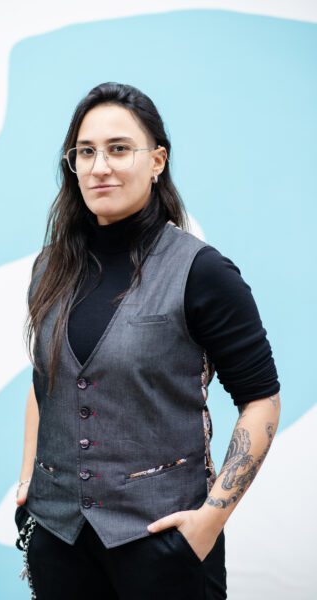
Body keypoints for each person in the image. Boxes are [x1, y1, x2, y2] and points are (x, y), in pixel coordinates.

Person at [14, 82, 281, 600]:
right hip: (58, 540)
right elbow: (48, 380)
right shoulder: (51, 267)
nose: (100, 167)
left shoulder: (201, 271)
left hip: (161, 544)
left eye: (118, 149)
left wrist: (208, 522)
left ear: (157, 160)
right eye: (85, 152)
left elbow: (261, 401)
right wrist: (29, 482)